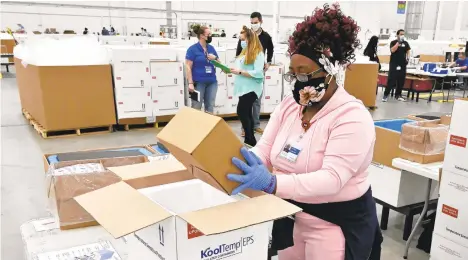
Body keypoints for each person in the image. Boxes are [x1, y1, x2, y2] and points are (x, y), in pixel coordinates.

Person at [227, 4, 382, 260]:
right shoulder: (291, 105)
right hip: (290, 216)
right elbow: (265, 149)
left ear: (331, 70)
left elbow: (332, 179)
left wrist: (273, 183)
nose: (299, 81)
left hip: (334, 225)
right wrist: (239, 159)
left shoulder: (351, 117)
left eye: (305, 73)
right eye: (293, 73)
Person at [236, 11, 274, 136]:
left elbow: (271, 49)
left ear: (261, 21)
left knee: (256, 100)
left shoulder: (266, 36)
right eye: (251, 23)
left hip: (258, 72)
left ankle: (256, 125)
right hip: (246, 73)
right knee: (244, 103)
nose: (253, 25)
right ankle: (245, 128)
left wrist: (268, 62)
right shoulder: (247, 35)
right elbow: (239, 51)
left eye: (255, 22)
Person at [231, 26, 265, 146]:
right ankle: (250, 140)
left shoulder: (258, 53)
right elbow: (241, 68)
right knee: (246, 113)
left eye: (243, 39)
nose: (242, 42)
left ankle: (250, 139)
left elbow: (258, 72)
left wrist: (239, 72)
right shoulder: (244, 52)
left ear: (250, 39)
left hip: (252, 88)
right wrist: (231, 70)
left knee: (241, 111)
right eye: (240, 39)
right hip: (243, 87)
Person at [185, 24, 219, 114]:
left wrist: (215, 58)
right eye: (209, 34)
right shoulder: (192, 49)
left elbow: (219, 64)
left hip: (212, 82)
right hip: (197, 83)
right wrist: (190, 83)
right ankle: (195, 128)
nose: (210, 36)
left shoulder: (211, 48)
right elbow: (188, 67)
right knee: (196, 107)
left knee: (210, 107)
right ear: (202, 36)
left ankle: (209, 127)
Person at [383, 29, 411, 102]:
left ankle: (398, 95)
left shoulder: (406, 43)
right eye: (401, 34)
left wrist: (408, 59)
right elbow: (392, 50)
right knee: (391, 80)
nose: (402, 35)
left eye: (403, 34)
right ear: (397, 35)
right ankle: (385, 95)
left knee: (401, 80)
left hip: (402, 64)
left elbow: (408, 51)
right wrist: (398, 43)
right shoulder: (393, 42)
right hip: (394, 64)